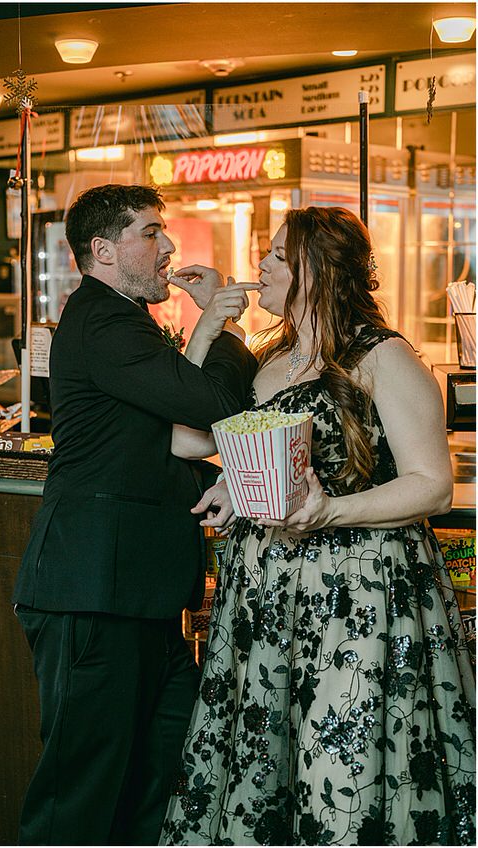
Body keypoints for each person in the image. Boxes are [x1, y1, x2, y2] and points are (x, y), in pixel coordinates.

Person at [161, 206, 475, 845]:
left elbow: (432, 485)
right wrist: (208, 328)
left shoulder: (383, 356)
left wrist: (330, 509)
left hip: (356, 594)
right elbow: (189, 440)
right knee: (268, 754)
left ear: (318, 270)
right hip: (270, 590)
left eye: (278, 255)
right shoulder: (267, 359)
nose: (262, 265)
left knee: (341, 755)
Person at [11, 184, 258, 845]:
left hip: (140, 600)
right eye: (151, 232)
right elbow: (209, 403)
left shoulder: (126, 324)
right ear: (104, 250)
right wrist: (219, 324)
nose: (168, 246)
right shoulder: (103, 322)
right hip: (92, 594)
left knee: (158, 783)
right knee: (81, 798)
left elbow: (178, 430)